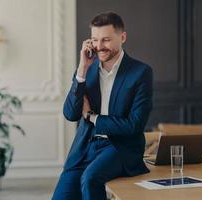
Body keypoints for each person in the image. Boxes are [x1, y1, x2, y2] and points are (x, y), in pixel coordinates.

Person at [52, 12, 153, 200]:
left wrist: (92, 117)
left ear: (122, 37)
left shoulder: (140, 73)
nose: (99, 47)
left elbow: (134, 125)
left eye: (106, 40)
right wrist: (82, 69)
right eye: (94, 40)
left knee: (90, 179)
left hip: (119, 147)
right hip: (85, 147)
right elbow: (70, 114)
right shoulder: (86, 71)